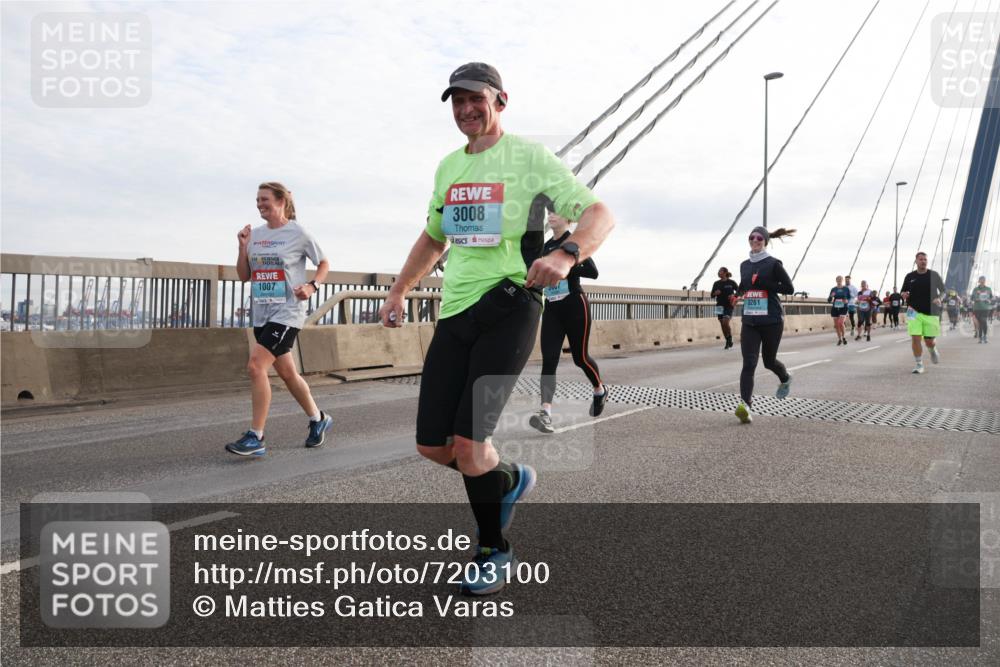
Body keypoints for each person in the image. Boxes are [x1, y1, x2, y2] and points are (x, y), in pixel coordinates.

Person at [377, 62, 615, 595]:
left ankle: (493, 549)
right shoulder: (448, 168)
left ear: (500, 101)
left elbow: (599, 212)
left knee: (467, 442)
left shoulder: (529, 158)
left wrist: (568, 252)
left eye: (474, 99)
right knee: (432, 447)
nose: (465, 110)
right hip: (455, 311)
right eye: (456, 102)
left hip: (510, 305)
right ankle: (508, 477)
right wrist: (399, 289)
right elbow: (433, 237)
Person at [226, 182, 332, 457]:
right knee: (287, 373)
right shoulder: (256, 235)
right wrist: (242, 246)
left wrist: (311, 287)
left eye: (264, 199)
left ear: (281, 201)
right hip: (262, 311)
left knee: (255, 366)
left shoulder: (298, 232)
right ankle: (318, 419)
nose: (260, 204)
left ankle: (256, 437)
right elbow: (244, 275)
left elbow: (324, 263)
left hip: (288, 312)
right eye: (257, 200)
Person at [529, 212, 607, 435]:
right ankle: (546, 413)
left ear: (567, 219)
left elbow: (593, 272)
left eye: (556, 213)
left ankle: (599, 389)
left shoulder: (573, 242)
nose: (551, 216)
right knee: (549, 361)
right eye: (549, 212)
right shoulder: (544, 247)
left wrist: (568, 263)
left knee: (580, 358)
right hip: (552, 307)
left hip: (575, 305)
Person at [733, 226, 796, 424]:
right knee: (749, 363)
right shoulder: (744, 265)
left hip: (771, 320)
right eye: (752, 237)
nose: (755, 240)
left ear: (765, 241)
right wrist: (737, 295)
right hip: (750, 320)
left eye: (759, 237)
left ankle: (785, 378)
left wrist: (763, 284)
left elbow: (789, 288)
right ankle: (746, 406)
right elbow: (745, 285)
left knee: (769, 362)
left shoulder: (773, 264)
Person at [900, 251, 945, 374]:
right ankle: (919, 364)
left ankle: (932, 349)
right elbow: (903, 291)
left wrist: (939, 298)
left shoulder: (934, 275)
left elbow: (943, 291)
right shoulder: (909, 276)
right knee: (915, 338)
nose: (923, 261)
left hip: (931, 312)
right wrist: (903, 294)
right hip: (913, 311)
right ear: (916, 261)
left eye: (925, 259)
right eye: (921, 259)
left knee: (929, 341)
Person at [711, 266, 739, 349]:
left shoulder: (731, 282)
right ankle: (727, 340)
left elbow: (739, 291)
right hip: (719, 305)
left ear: (725, 273)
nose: (718, 273)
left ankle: (729, 337)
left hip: (729, 305)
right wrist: (715, 293)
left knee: (725, 322)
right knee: (722, 324)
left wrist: (733, 295)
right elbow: (712, 295)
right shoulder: (716, 283)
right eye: (718, 271)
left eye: (720, 271)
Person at [828, 276, 851, 346]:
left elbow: (849, 298)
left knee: (841, 323)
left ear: (842, 280)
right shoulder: (833, 289)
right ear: (836, 280)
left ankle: (844, 337)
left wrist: (846, 301)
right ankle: (840, 339)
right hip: (835, 307)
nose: (839, 281)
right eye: (837, 280)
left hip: (843, 307)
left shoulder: (846, 289)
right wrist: (831, 296)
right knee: (837, 325)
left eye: (840, 280)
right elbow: (829, 300)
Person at [971, 276, 993, 343]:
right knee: (980, 323)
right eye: (981, 279)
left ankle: (985, 336)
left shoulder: (988, 289)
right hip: (977, 308)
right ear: (979, 281)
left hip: (985, 308)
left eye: (983, 279)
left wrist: (989, 300)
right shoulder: (975, 289)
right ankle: (980, 337)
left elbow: (991, 297)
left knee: (984, 320)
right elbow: (972, 298)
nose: (982, 281)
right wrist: (976, 299)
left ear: (985, 281)